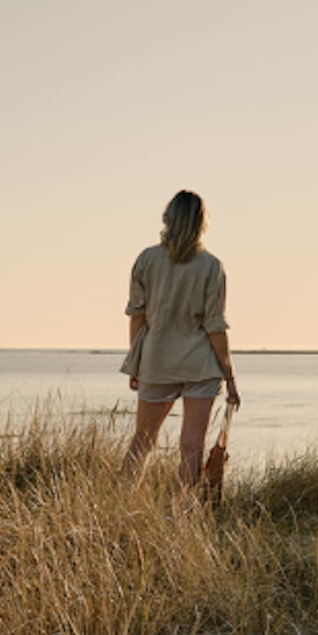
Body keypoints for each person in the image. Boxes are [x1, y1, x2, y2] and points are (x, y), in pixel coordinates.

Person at [120, 190, 241, 485]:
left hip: (156, 360)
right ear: (203, 222)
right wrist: (230, 376)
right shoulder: (212, 266)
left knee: (143, 441)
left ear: (168, 218)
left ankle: (121, 506)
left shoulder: (146, 259)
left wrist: (136, 363)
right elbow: (215, 327)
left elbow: (137, 315)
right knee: (192, 446)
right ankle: (184, 515)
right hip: (200, 365)